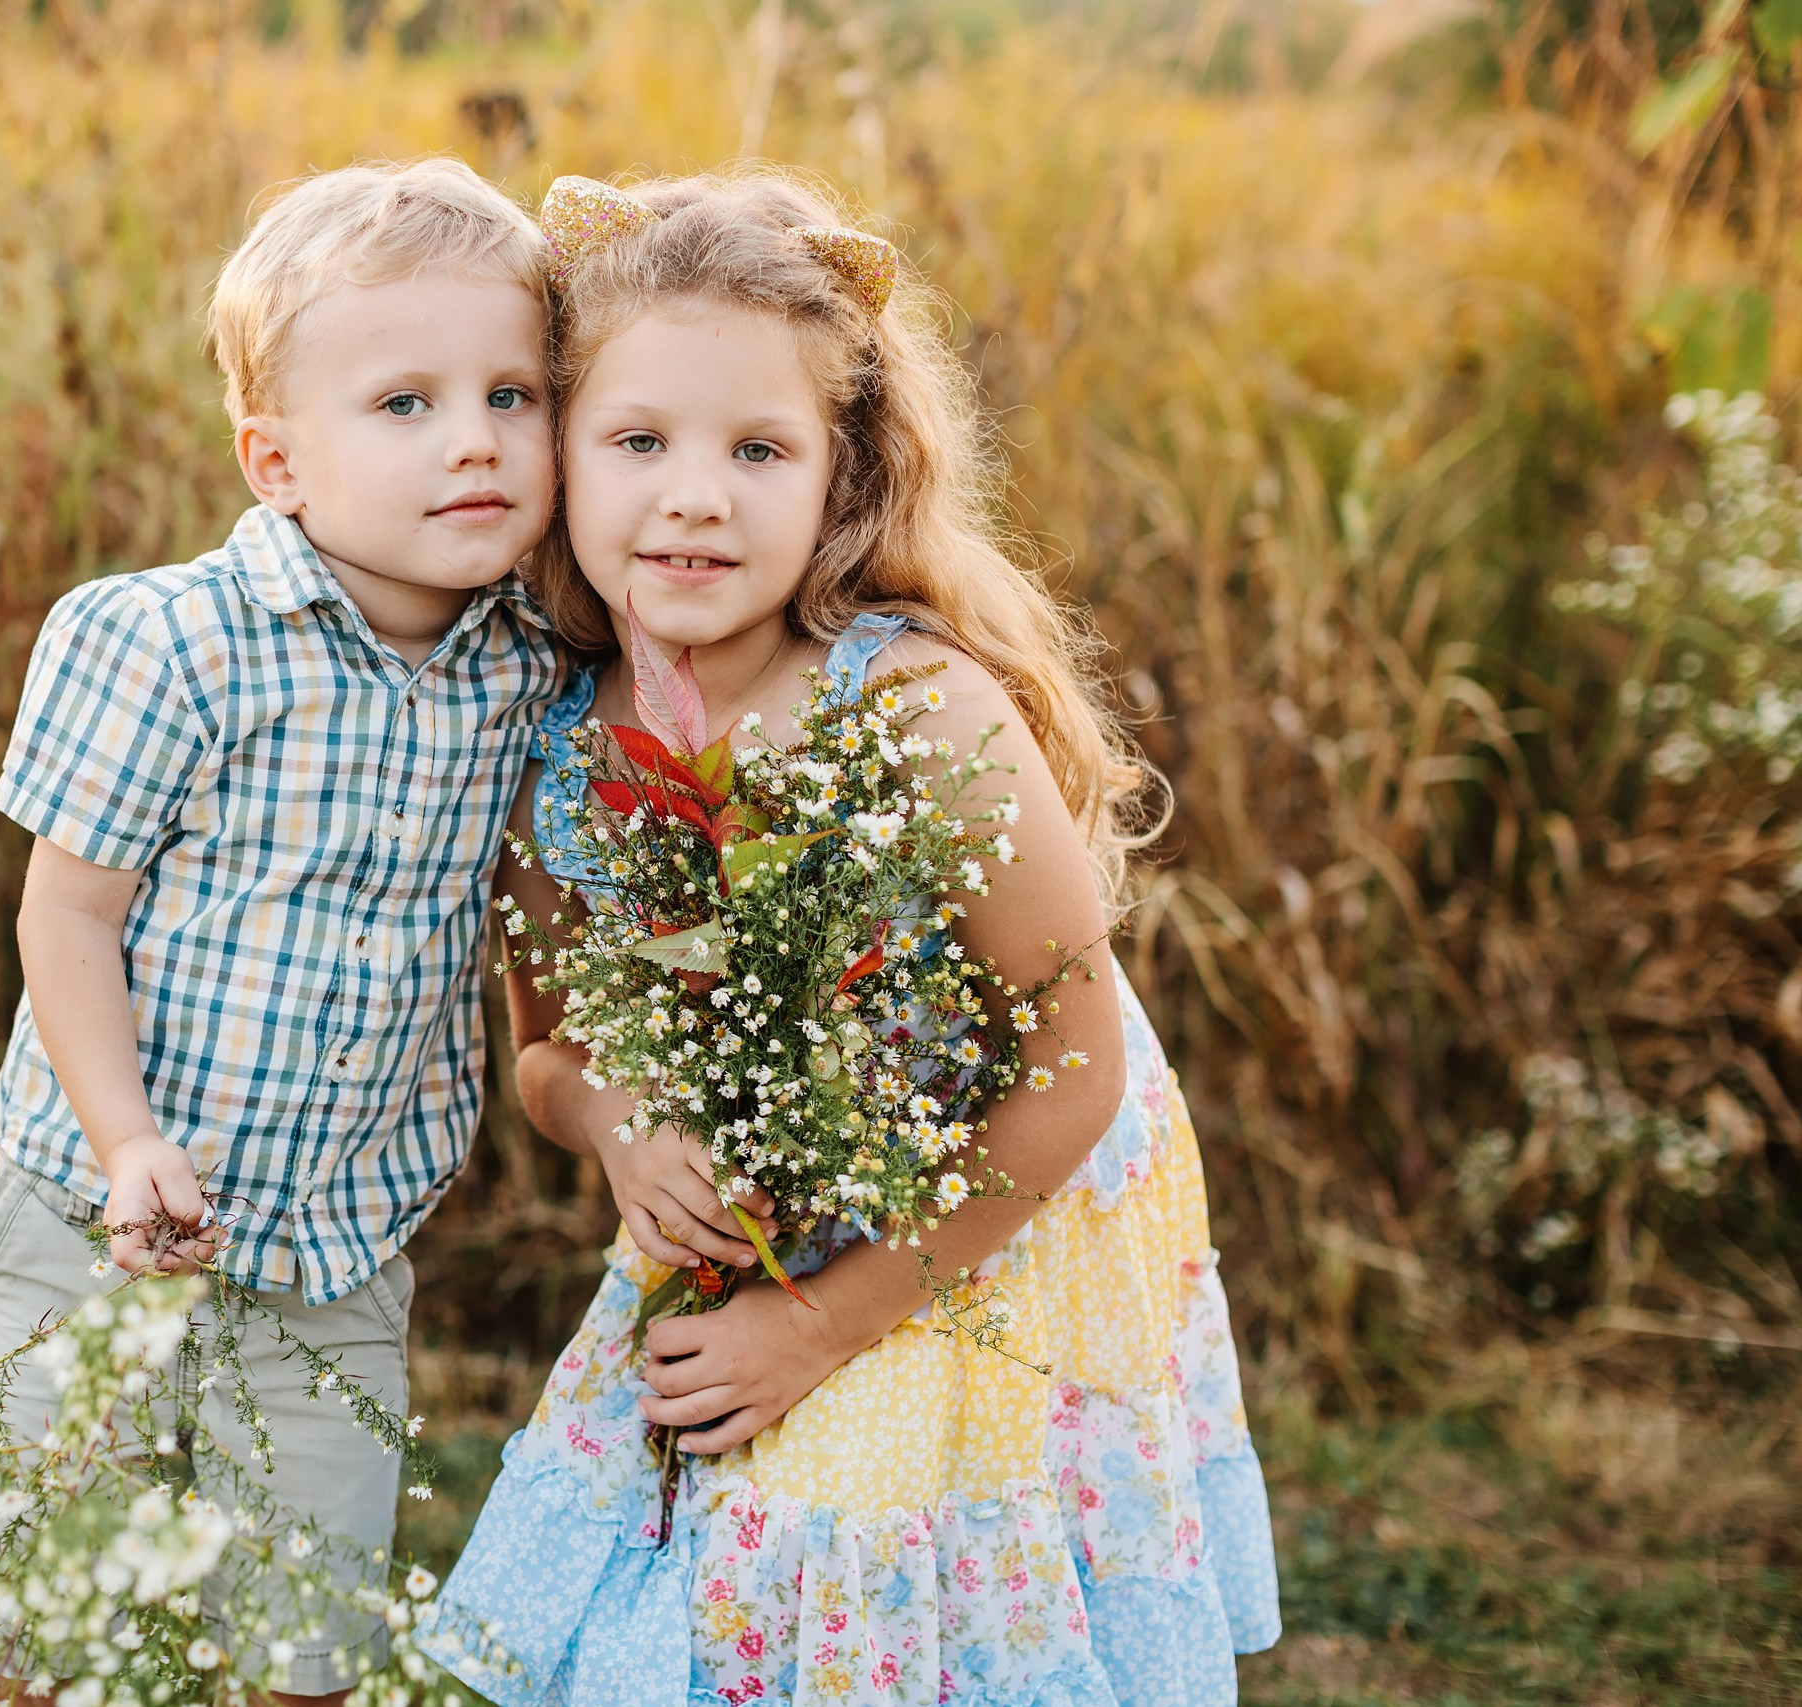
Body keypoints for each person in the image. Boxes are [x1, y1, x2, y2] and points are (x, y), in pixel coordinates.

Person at [426, 173, 1280, 1707]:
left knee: (883, 1567)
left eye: (759, 449)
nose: (696, 496)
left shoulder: (914, 709)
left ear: (845, 479)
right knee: (746, 1582)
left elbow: (1077, 1075)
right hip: (767, 1216)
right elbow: (545, 1055)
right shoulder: (558, 742)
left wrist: (819, 1324)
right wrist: (618, 1120)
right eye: (639, 443)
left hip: (1000, 1213)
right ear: (560, 456)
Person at [0, 156, 565, 1703]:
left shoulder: (534, 671)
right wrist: (124, 1142)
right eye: (407, 404)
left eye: (515, 394)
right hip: (101, 1206)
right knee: (32, 1611)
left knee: (309, 1633)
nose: (477, 440)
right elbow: (68, 915)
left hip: (339, 1233)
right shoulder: (162, 642)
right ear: (276, 460)